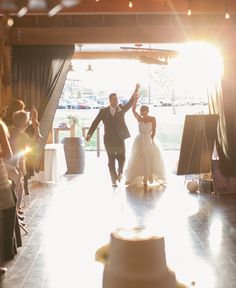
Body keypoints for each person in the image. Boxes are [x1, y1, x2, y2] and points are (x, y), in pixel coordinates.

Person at [86, 84, 140, 187]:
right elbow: (95, 122)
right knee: (111, 160)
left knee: (122, 158)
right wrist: (89, 134)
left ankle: (120, 172)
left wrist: (136, 90)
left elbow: (130, 103)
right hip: (109, 140)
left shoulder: (121, 109)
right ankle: (113, 179)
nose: (116, 100)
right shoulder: (103, 111)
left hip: (120, 138)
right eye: (114, 99)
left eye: (117, 99)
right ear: (110, 100)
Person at [125, 97, 166, 187]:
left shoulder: (152, 119)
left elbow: (154, 129)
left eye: (146, 110)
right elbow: (133, 110)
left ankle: (148, 177)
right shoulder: (139, 118)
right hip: (140, 139)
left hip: (149, 138)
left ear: (147, 111)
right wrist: (135, 100)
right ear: (141, 112)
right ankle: (143, 177)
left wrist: (151, 138)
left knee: (151, 157)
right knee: (140, 157)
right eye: (143, 111)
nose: (145, 112)